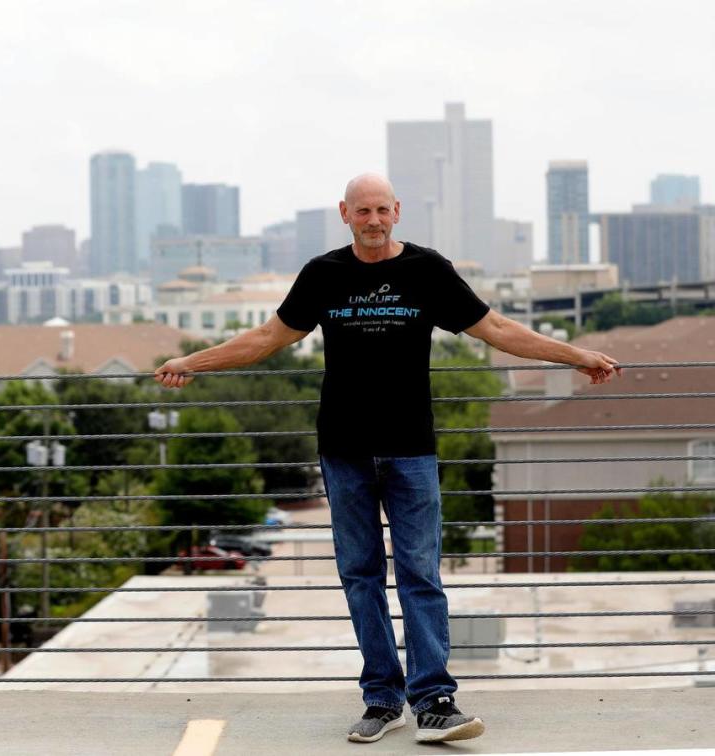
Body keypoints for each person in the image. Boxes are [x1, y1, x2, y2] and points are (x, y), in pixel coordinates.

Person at [154, 173, 622, 744]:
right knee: (361, 577)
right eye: (362, 211)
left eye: (381, 210)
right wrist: (192, 363)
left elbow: (495, 329)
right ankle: (381, 698)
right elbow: (265, 339)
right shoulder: (324, 274)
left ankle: (434, 701)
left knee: (421, 575)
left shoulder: (426, 270)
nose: (373, 220)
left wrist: (573, 355)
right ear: (344, 214)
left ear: (397, 211)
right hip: (344, 449)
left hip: (411, 449)